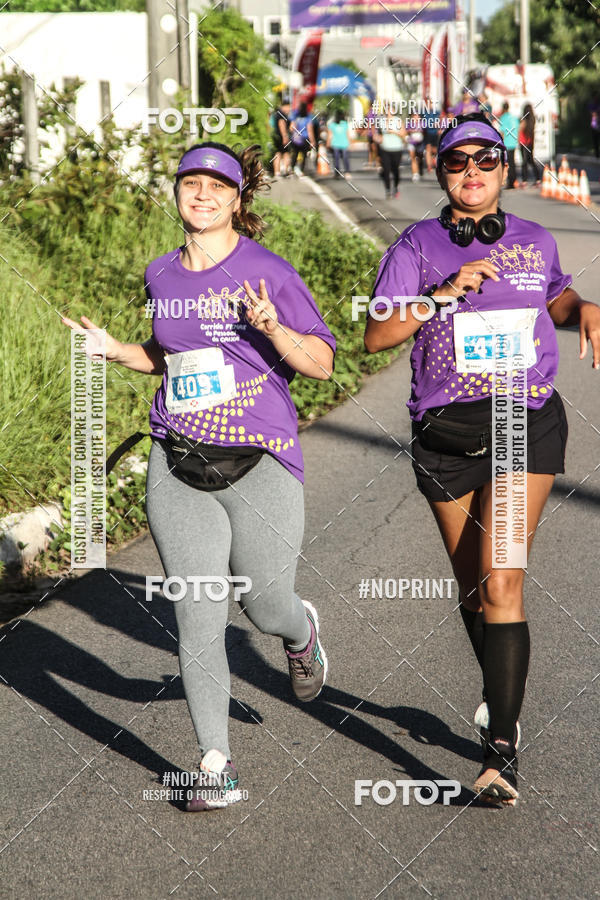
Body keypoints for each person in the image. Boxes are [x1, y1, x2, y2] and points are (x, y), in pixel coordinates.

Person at [62, 141, 336, 810]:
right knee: (198, 612)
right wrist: (112, 351)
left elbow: (322, 364)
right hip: (177, 457)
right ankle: (214, 765)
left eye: (219, 186)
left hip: (261, 459)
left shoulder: (268, 271)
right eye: (192, 183)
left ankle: (300, 632)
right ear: (177, 192)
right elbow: (166, 355)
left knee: (264, 603)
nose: (204, 194)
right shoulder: (162, 274)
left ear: (239, 200)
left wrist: (272, 329)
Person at [364, 114, 600, 806]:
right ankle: (504, 699)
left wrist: (583, 307)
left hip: (521, 416)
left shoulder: (533, 238)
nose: (472, 171)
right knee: (473, 589)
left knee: (501, 581)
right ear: (440, 172)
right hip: (444, 431)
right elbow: (378, 333)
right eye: (458, 161)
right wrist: (441, 293)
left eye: (486, 160)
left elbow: (550, 293)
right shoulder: (416, 243)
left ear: (505, 169)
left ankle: (500, 749)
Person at [375, 113, 406, 199]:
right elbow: (378, 134)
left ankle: (395, 187)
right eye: (387, 110)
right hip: (385, 148)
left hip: (396, 148)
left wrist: (393, 131)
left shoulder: (398, 121)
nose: (388, 113)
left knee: (395, 169)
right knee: (386, 170)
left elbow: (403, 134)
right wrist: (378, 138)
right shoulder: (381, 121)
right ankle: (388, 190)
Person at [518, 103, 542, 187]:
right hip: (530, 143)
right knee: (531, 161)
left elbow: (519, 130)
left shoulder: (523, 120)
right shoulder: (532, 119)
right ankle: (538, 179)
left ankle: (524, 181)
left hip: (523, 143)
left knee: (524, 162)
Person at [290, 101, 316, 176]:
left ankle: (292, 169)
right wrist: (312, 141)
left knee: (295, 154)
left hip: (296, 139)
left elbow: (291, 128)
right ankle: (301, 170)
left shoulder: (296, 117)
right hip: (304, 138)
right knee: (304, 155)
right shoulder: (308, 118)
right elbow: (310, 130)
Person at [498, 101, 519, 189]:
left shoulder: (503, 118)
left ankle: (510, 183)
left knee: (507, 163)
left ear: (503, 108)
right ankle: (514, 180)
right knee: (512, 163)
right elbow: (518, 128)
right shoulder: (514, 117)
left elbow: (502, 131)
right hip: (513, 142)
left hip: (506, 143)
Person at [327, 109, 351, 179]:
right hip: (344, 143)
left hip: (335, 144)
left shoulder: (332, 125)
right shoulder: (345, 124)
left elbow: (330, 135)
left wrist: (328, 143)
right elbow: (347, 134)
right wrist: (350, 143)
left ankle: (337, 173)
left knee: (336, 159)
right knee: (345, 158)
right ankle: (347, 172)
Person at [271, 98, 291, 177]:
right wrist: (285, 136)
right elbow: (281, 124)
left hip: (276, 136)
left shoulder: (277, 113)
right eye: (289, 107)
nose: (289, 109)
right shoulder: (281, 114)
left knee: (278, 153)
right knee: (285, 153)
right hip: (281, 136)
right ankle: (286, 170)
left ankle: (277, 172)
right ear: (285, 106)